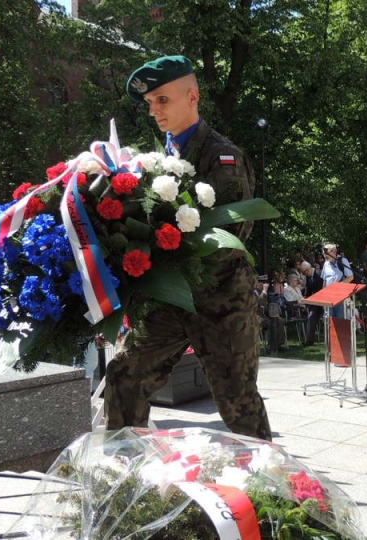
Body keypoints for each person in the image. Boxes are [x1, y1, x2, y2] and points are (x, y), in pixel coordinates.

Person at [105, 55, 271, 440]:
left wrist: (156, 259)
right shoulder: (157, 162)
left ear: (192, 96)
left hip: (221, 302)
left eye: (162, 99)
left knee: (237, 402)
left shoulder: (222, 156)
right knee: (125, 376)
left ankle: (271, 491)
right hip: (170, 300)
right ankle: (123, 474)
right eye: (150, 103)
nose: (154, 110)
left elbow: (230, 238)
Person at [321, 243, 353, 319]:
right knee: (329, 319)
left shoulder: (342, 260)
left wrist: (337, 287)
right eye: (324, 254)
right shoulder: (326, 264)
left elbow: (350, 277)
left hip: (340, 296)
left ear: (334, 252)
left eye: (327, 253)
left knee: (339, 318)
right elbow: (324, 281)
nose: (325, 256)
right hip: (328, 297)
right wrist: (322, 297)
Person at [299, 261, 323, 346]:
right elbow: (308, 290)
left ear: (308, 269)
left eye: (304, 272)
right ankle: (309, 340)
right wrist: (306, 300)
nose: (304, 274)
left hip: (324, 300)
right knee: (311, 317)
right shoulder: (308, 277)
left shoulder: (320, 273)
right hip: (315, 302)